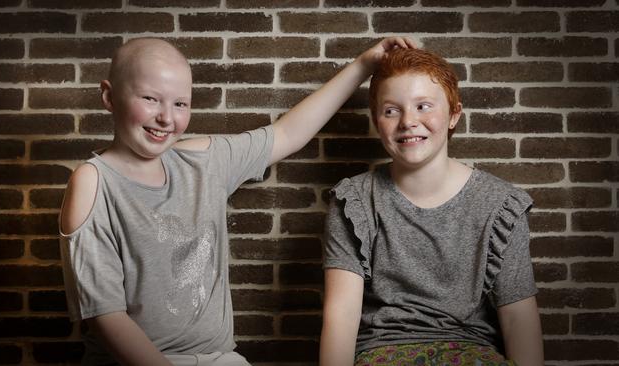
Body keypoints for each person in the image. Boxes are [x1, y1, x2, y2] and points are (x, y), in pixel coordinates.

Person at [59, 36, 416, 366]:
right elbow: (106, 317)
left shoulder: (203, 163)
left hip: (218, 359)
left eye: (180, 103)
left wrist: (364, 65)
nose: (166, 117)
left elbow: (288, 133)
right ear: (109, 96)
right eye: (150, 99)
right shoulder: (93, 182)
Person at [319, 48, 544, 366]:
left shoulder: (501, 206)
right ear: (376, 121)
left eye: (423, 106)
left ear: (454, 114)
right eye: (391, 111)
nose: (408, 122)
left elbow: (519, 321)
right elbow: (340, 319)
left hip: (470, 353)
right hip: (383, 352)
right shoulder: (353, 202)